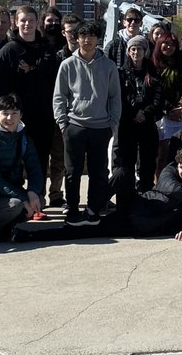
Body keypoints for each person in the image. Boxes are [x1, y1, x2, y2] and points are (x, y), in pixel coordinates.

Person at [13, 146, 182, 243]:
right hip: (136, 204)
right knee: (123, 173)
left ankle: (29, 236)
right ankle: (94, 209)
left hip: (138, 225)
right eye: (181, 167)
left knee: (84, 233)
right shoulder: (170, 172)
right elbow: (172, 188)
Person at [53, 21, 122, 225]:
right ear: (77, 38)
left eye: (92, 36)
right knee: (72, 172)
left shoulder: (108, 66)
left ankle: (93, 209)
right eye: (83, 36)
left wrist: (112, 124)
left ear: (97, 39)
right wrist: (63, 123)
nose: (87, 40)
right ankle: (73, 209)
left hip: (101, 127)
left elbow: (115, 97)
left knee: (98, 172)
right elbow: (59, 96)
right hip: (74, 126)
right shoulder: (67, 64)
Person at [0, 5, 59, 206]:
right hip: (17, 119)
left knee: (39, 161)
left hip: (44, 116)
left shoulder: (47, 49)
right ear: (15, 23)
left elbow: (56, 82)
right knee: (14, 162)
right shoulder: (9, 51)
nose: (27, 24)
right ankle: (17, 201)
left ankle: (38, 198)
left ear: (38, 22)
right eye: (23, 20)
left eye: (31, 20)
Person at [0, 93, 44, 242]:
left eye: (14, 114)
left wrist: (32, 191)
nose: (9, 119)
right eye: (5, 113)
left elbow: (35, 169)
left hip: (11, 191)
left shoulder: (23, 139)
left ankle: (7, 226)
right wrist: (23, 197)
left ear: (21, 115)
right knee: (15, 205)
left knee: (39, 201)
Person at [117, 35, 164, 195]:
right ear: (128, 51)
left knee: (148, 160)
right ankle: (127, 193)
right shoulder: (121, 73)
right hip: (128, 123)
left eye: (140, 49)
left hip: (148, 122)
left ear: (146, 51)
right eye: (133, 49)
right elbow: (119, 98)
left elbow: (158, 99)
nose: (136, 52)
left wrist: (145, 112)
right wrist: (133, 113)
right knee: (127, 160)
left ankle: (146, 191)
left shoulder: (154, 73)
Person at [46, 12, 82, 209]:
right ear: (63, 33)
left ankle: (70, 196)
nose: (73, 35)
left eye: (76, 31)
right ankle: (55, 194)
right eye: (69, 31)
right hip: (59, 113)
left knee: (73, 160)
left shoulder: (87, 54)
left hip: (79, 115)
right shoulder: (57, 56)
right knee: (58, 157)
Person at [152, 30, 182, 169]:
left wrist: (181, 107)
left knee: (180, 154)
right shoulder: (153, 66)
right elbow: (154, 91)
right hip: (161, 114)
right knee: (161, 154)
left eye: (173, 45)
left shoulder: (180, 64)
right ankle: (159, 184)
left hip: (179, 114)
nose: (169, 47)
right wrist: (167, 109)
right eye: (165, 44)